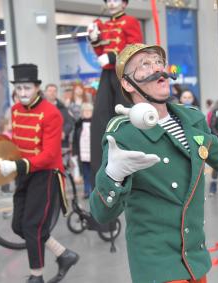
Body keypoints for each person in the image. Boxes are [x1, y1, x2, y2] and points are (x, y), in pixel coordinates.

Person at [89, 44, 218, 283]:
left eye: (158, 62)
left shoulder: (192, 118)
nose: (157, 68)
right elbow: (102, 213)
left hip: (194, 257)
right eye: (145, 64)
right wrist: (113, 175)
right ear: (127, 84)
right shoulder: (123, 134)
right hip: (156, 264)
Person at [0, 64, 79, 283]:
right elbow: (17, 142)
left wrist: (16, 166)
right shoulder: (15, 110)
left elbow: (50, 155)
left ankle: (36, 275)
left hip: (45, 174)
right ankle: (64, 254)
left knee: (32, 226)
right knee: (18, 225)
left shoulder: (51, 113)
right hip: (24, 172)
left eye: (27, 88)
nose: (23, 93)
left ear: (37, 88)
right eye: (19, 88)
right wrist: (5, 156)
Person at [87, 0, 143, 189]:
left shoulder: (130, 21)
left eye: (115, 0)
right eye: (108, 0)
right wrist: (95, 40)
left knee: (124, 115)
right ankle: (102, 164)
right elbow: (100, 51)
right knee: (101, 117)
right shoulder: (105, 24)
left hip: (123, 74)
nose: (111, 3)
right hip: (107, 74)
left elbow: (134, 49)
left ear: (124, 3)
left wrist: (112, 57)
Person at [72, 103, 94, 199]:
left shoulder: (95, 123)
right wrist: (75, 152)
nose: (87, 113)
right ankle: (86, 190)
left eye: (89, 111)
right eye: (85, 111)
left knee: (94, 172)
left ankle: (94, 191)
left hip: (93, 152)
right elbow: (75, 140)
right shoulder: (79, 124)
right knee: (85, 173)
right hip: (83, 153)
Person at [44, 84, 75, 150]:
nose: (52, 93)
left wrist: (64, 132)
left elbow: (69, 122)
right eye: (50, 91)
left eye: (54, 91)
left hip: (61, 144)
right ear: (45, 92)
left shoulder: (62, 107)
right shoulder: (40, 107)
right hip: (44, 143)